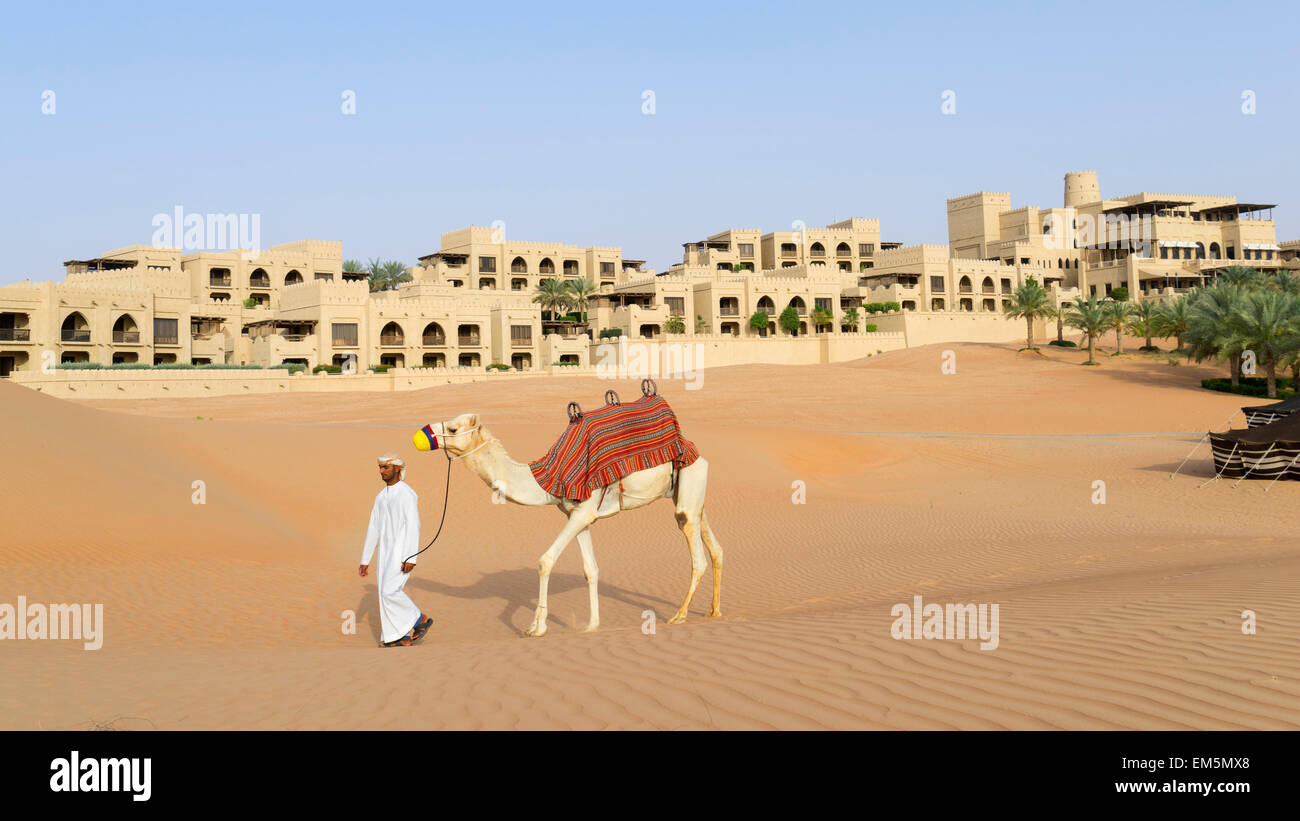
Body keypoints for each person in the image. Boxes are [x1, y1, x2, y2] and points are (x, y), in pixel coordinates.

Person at [359, 453, 433, 647]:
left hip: (401, 552)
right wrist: (365, 559)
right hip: (385, 553)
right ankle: (397, 637)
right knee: (384, 594)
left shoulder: (406, 493)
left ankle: (419, 619)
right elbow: (373, 527)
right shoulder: (381, 497)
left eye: (386, 468)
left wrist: (411, 557)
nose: (381, 471)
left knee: (389, 591)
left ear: (398, 469)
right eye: (380, 468)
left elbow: (413, 525)